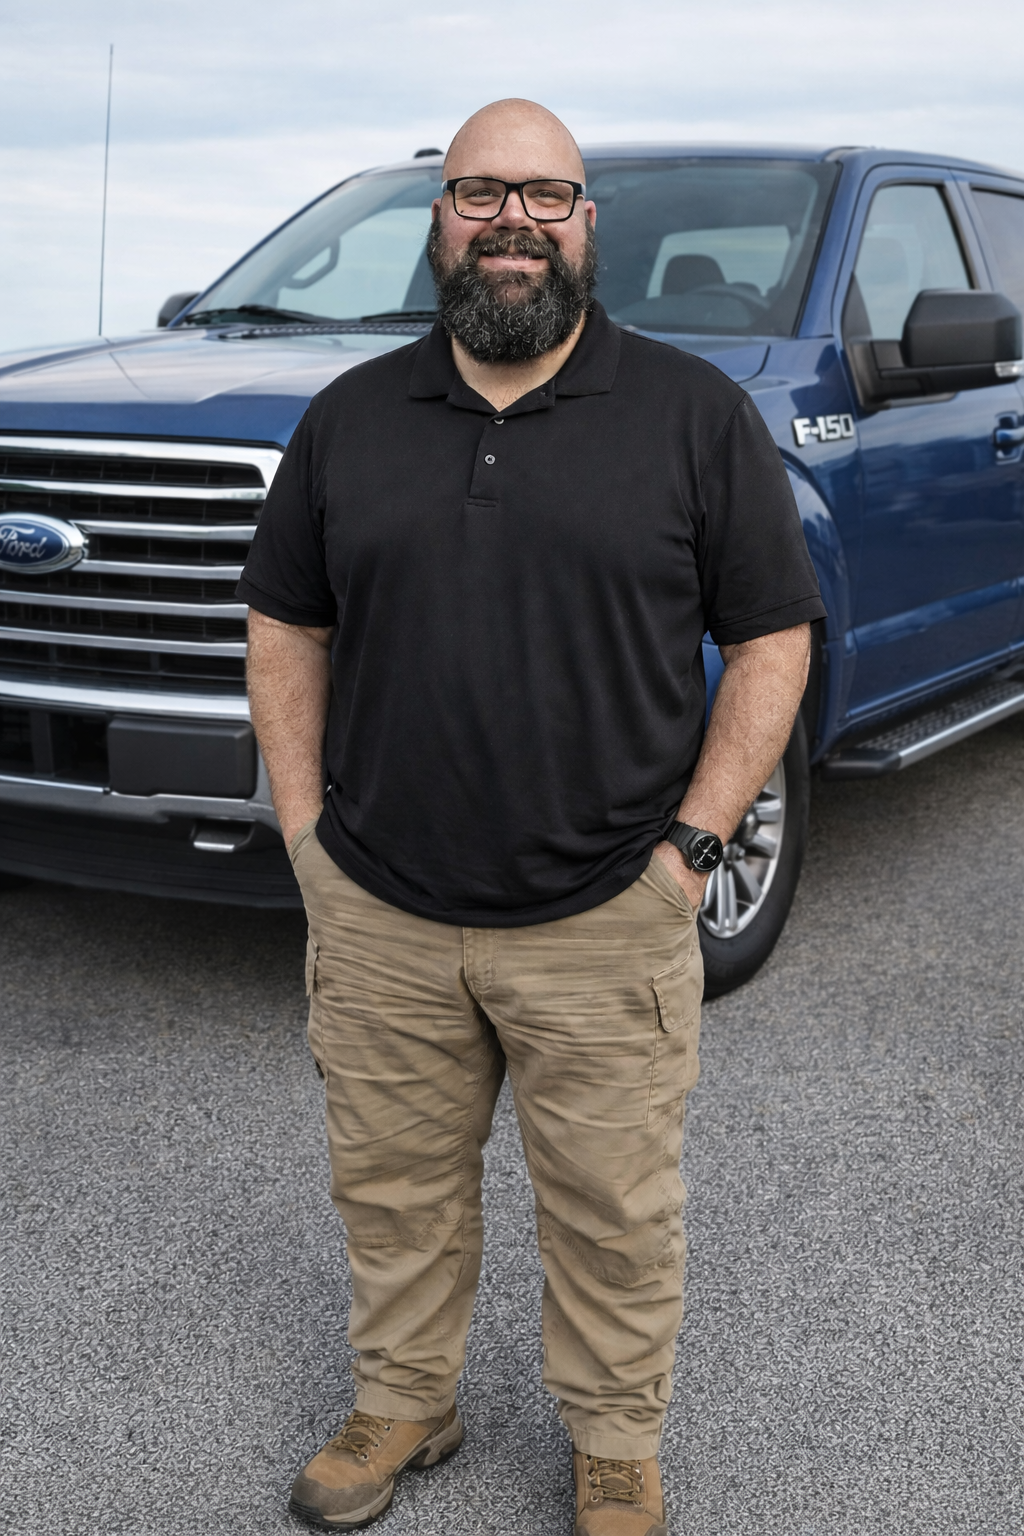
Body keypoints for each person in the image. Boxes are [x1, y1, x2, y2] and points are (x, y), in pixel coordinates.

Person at [240, 98, 824, 1536]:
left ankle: (616, 1443)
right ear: (438, 217)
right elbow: (284, 625)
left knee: (615, 1212)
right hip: (380, 901)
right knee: (391, 1194)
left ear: (587, 225)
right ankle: (404, 1401)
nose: (513, 222)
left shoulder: (693, 416)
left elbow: (774, 639)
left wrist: (691, 850)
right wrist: (307, 833)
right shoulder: (350, 418)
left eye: (546, 197)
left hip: (606, 910)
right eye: (479, 192)